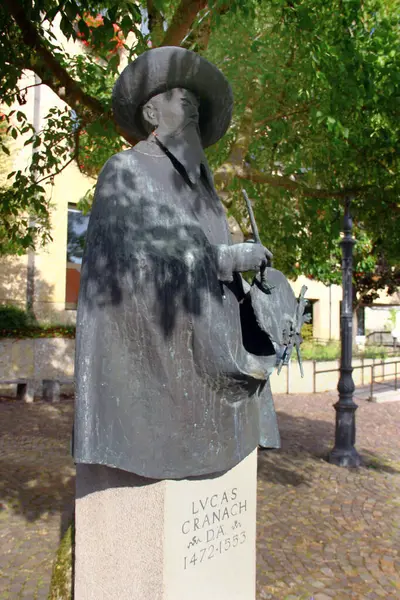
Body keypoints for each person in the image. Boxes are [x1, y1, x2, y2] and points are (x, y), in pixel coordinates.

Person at [73, 47, 290, 480]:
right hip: (157, 359)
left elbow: (215, 271)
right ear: (151, 111)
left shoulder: (205, 193)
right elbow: (130, 263)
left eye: (192, 98)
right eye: (176, 95)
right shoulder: (125, 170)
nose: (189, 102)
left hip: (213, 344)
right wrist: (223, 259)